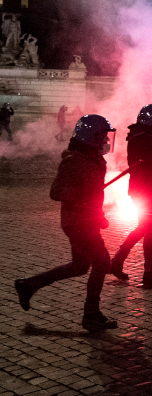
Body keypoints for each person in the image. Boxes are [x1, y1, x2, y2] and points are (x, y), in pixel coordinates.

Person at [13, 115, 118, 331]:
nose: (107, 139)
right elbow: (56, 191)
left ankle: (29, 285)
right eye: (104, 135)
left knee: (80, 266)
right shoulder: (73, 161)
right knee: (101, 263)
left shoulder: (94, 159)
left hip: (87, 220)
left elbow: (94, 194)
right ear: (92, 136)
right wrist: (81, 194)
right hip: (77, 222)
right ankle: (91, 314)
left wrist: (98, 215)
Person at [110, 104, 152, 287]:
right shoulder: (143, 139)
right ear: (151, 119)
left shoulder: (141, 137)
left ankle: (119, 261)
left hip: (146, 190)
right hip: (147, 191)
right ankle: (149, 273)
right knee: (150, 230)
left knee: (146, 229)